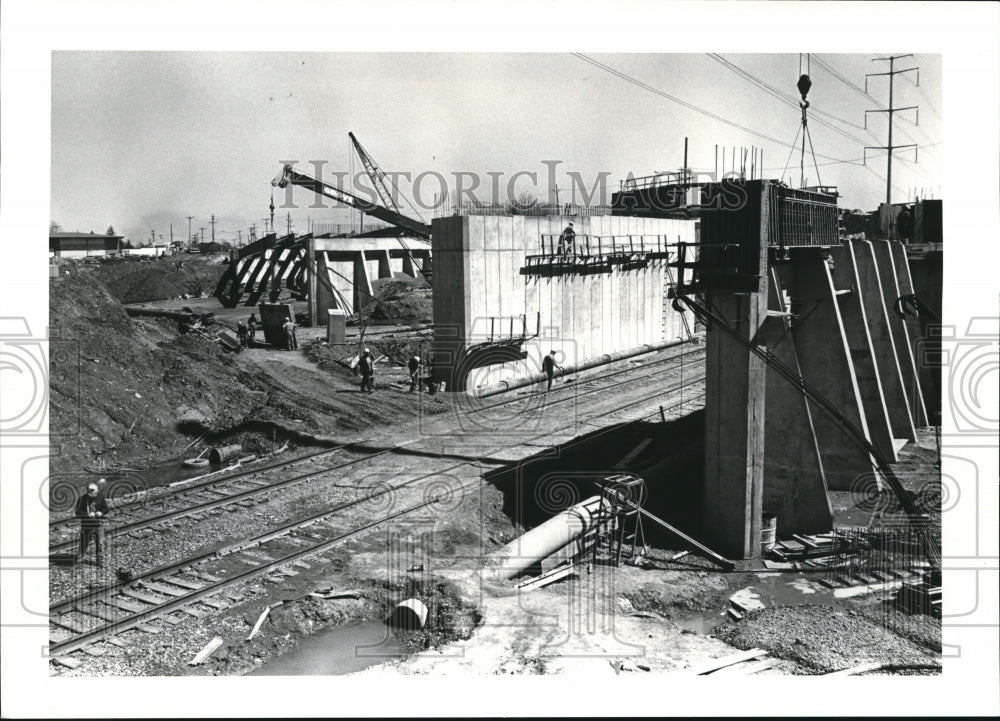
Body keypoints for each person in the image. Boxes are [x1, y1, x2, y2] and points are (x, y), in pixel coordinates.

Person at [75, 483, 109, 567]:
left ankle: (100, 561)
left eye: (96, 492)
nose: (95, 494)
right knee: (84, 542)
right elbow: (78, 512)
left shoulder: (100, 497)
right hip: (86, 524)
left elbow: (106, 508)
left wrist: (101, 512)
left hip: (98, 524)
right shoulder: (82, 499)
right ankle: (79, 560)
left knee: (100, 543)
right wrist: (88, 515)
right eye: (93, 493)